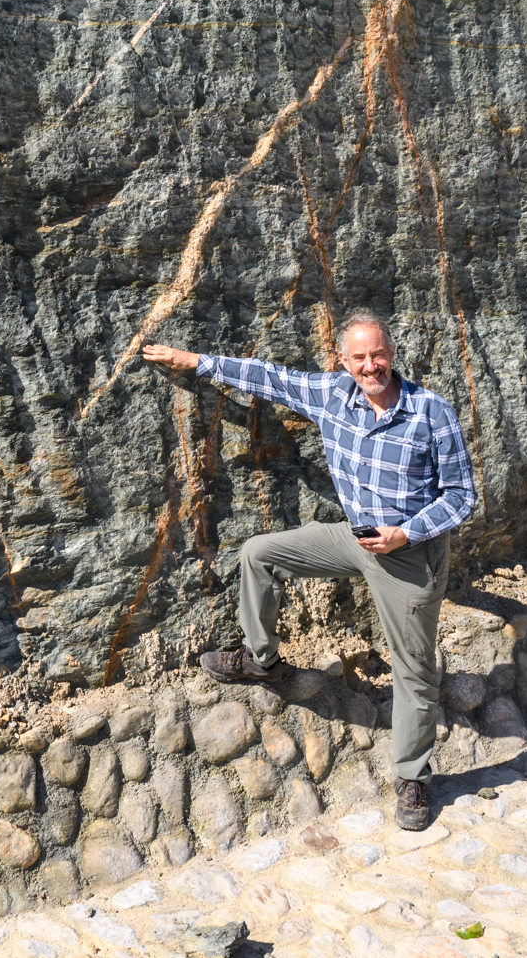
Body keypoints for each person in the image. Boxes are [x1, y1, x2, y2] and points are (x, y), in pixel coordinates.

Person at [141, 311, 475, 831]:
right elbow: (268, 378)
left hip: (408, 553)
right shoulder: (331, 394)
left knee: (413, 671)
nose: (371, 366)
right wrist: (196, 363)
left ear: (392, 352)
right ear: (343, 359)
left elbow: (461, 495)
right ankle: (261, 659)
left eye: (378, 354)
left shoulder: (430, 412)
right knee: (260, 552)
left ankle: (412, 777)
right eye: (359, 357)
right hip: (358, 538)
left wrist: (405, 534)